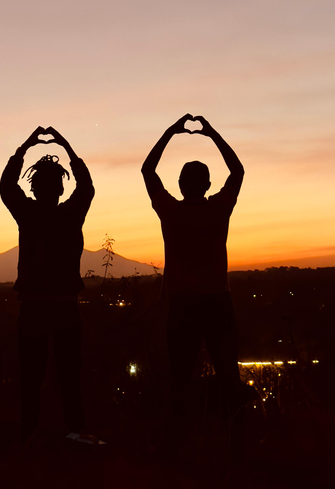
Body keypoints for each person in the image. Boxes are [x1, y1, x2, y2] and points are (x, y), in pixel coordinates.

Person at [142, 114, 249, 446]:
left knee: (180, 377)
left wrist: (170, 132)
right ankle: (238, 439)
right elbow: (238, 171)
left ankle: (178, 442)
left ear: (180, 186)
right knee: (228, 373)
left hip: (183, 301)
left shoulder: (171, 211)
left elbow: (148, 171)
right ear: (206, 185)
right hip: (217, 299)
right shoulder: (218, 208)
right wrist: (212, 133)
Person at [0, 126, 94, 441]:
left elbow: (5, 185)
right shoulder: (71, 213)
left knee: (31, 376)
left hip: (34, 307)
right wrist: (63, 144)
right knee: (70, 377)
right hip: (65, 307)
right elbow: (87, 186)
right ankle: (74, 435)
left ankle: (29, 434)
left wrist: (28, 144)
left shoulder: (26, 213)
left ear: (35, 187)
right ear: (60, 188)